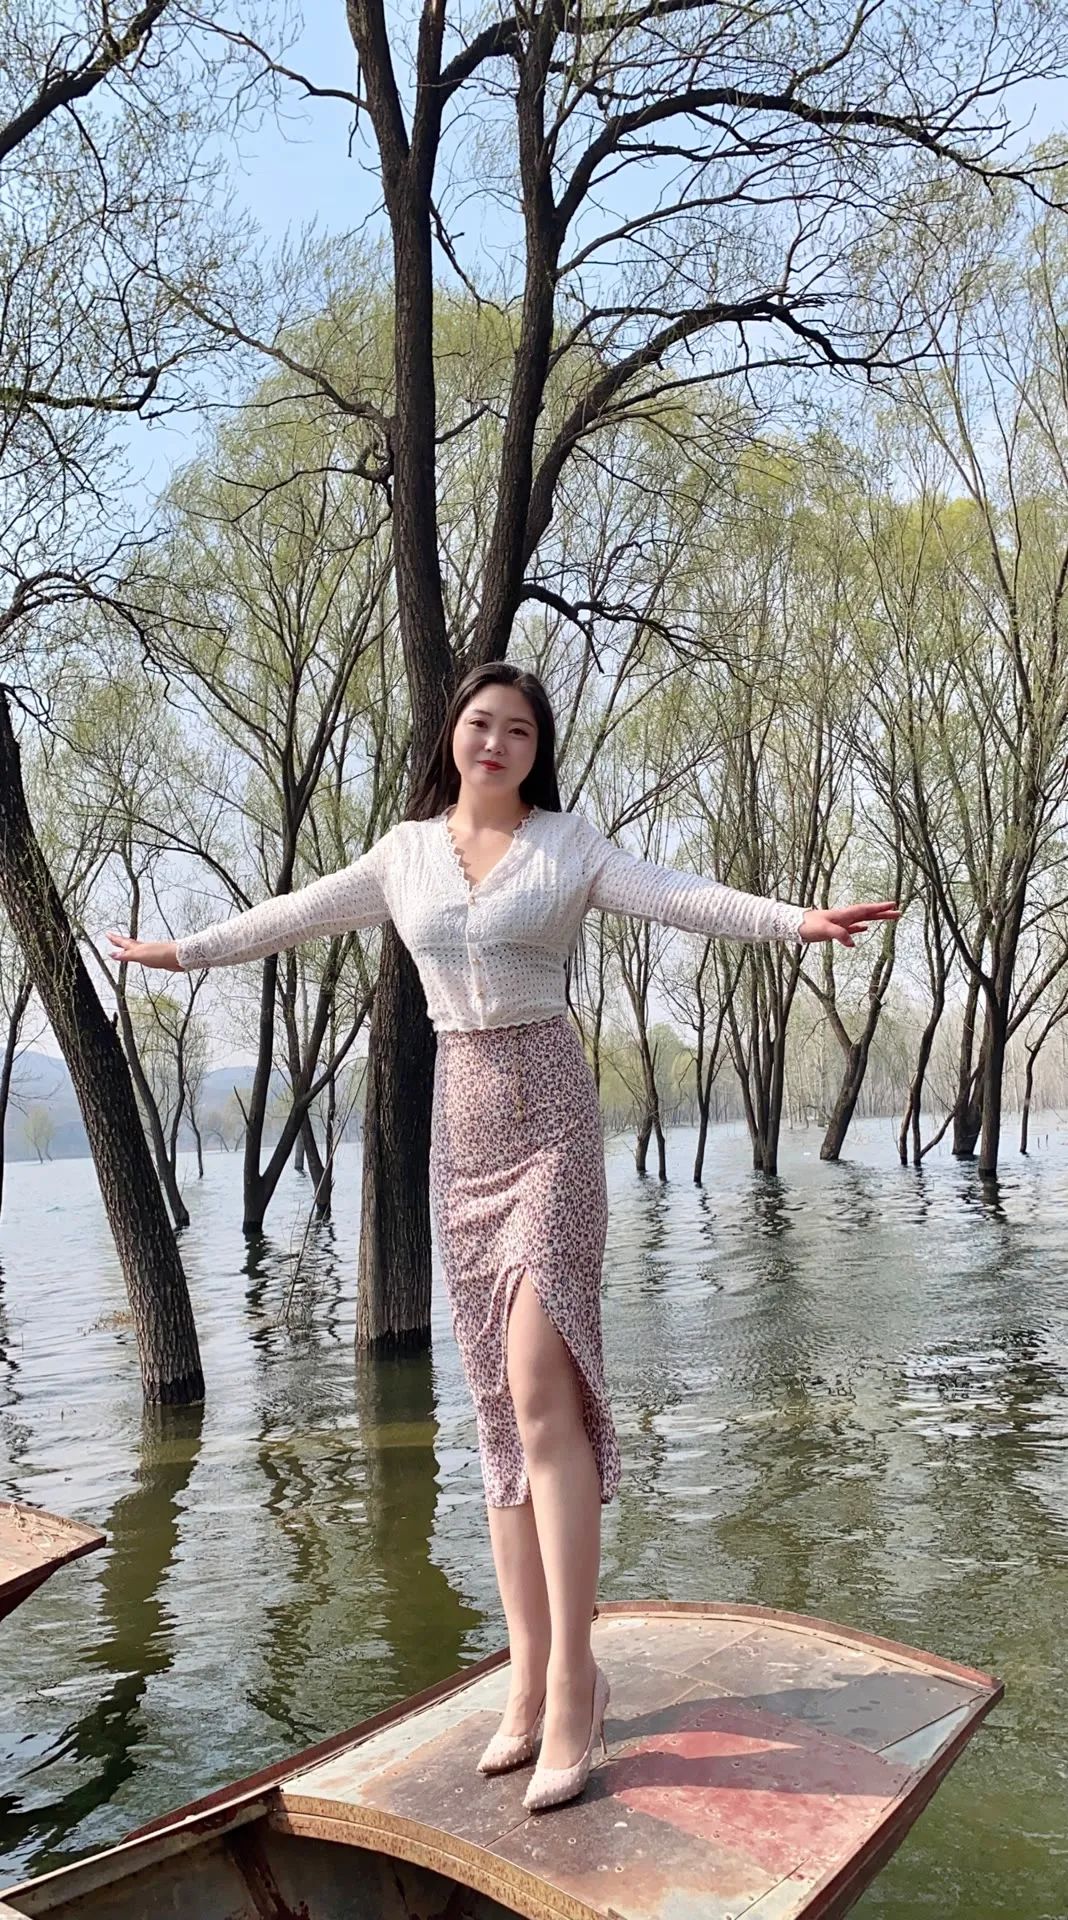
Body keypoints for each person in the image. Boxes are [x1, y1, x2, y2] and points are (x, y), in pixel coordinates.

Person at [106, 662, 898, 1813]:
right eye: (481, 723)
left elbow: (679, 895)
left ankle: (576, 1680)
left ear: (538, 749)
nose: (496, 742)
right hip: (462, 1122)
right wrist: (177, 953)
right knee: (493, 1406)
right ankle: (526, 1677)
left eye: (519, 729)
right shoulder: (403, 854)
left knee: (540, 1385)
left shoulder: (569, 846)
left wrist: (797, 923)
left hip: (553, 1114)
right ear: (454, 736)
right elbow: (293, 915)